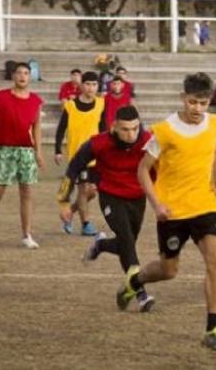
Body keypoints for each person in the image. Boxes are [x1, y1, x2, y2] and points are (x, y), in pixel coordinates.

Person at [124, 72, 216, 352]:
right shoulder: (165, 130)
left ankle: (212, 328)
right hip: (172, 211)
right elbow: (143, 170)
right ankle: (135, 280)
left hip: (206, 206)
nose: (198, 109)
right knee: (169, 270)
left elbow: (215, 148)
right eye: (193, 102)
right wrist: (157, 204)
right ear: (183, 98)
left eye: (204, 103)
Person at [66, 104, 155, 313]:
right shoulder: (99, 143)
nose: (131, 134)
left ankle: (101, 246)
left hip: (137, 197)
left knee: (127, 243)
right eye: (125, 129)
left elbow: (165, 167)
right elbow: (74, 166)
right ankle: (141, 293)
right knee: (127, 241)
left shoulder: (149, 141)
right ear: (114, 126)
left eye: (135, 128)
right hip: (111, 196)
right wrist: (64, 202)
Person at [0, 62, 45, 248]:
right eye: (19, 73)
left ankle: (26, 234)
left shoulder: (36, 101)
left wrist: (38, 151)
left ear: (30, 76)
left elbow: (37, 126)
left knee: (26, 192)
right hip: (5, 150)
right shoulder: (1, 97)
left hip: (26, 151)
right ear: (13, 76)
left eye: (26, 73)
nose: (22, 76)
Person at [54, 71, 105, 236]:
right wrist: (57, 150)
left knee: (92, 191)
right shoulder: (70, 105)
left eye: (94, 84)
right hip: (79, 157)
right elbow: (61, 129)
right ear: (81, 85)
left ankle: (69, 212)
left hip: (97, 155)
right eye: (88, 84)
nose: (91, 88)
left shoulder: (101, 104)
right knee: (83, 190)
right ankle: (86, 224)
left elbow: (104, 130)